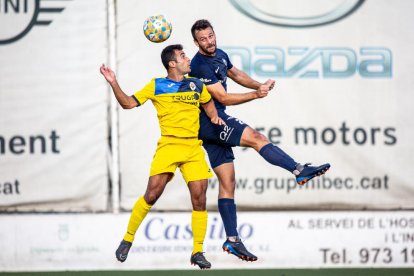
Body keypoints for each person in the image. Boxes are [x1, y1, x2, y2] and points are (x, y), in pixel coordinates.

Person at [190, 19, 331, 262]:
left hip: (212, 125)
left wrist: (259, 84)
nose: (209, 41)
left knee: (228, 182)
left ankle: (232, 240)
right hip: (211, 122)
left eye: (211, 36)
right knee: (257, 138)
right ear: (196, 42)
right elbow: (222, 96)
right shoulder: (199, 65)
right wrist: (256, 94)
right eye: (203, 39)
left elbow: (234, 73)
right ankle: (299, 170)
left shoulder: (219, 54)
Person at [100, 44, 225, 269]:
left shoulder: (196, 84)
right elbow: (128, 103)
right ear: (172, 64)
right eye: (183, 56)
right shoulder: (157, 85)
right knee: (152, 193)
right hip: (169, 144)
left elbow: (207, 103)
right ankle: (128, 238)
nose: (188, 59)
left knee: (200, 197)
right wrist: (113, 82)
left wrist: (215, 118)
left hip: (193, 148)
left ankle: (197, 251)